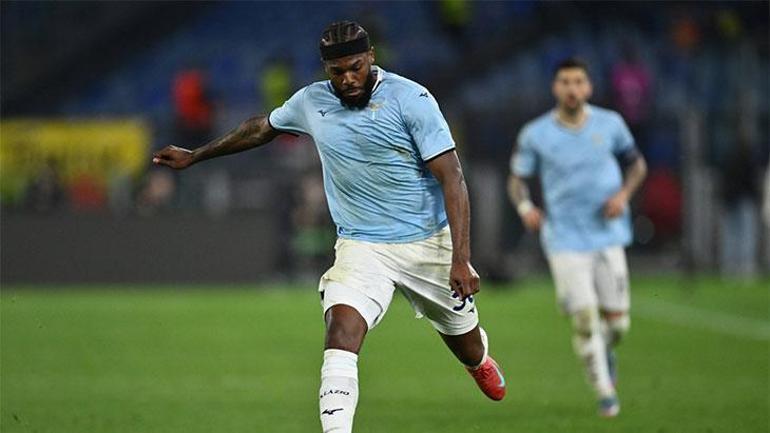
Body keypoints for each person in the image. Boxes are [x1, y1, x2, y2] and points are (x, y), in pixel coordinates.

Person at [153, 21, 505, 433]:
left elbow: (453, 178)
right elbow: (261, 128)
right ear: (326, 70)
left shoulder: (412, 99)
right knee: (341, 332)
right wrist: (196, 155)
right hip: (362, 246)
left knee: (465, 343)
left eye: (356, 67)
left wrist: (461, 258)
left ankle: (479, 360)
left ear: (371, 57)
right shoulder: (312, 101)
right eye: (337, 72)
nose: (348, 79)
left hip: (428, 243)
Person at [507, 58, 647, 418]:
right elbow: (517, 180)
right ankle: (604, 392)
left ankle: (605, 350)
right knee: (585, 317)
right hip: (564, 238)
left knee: (618, 324)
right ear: (555, 87)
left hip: (608, 235)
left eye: (578, 81)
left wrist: (623, 196)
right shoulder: (536, 133)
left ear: (589, 87)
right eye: (565, 82)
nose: (572, 88)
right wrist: (525, 207)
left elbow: (637, 165)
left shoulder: (610, 124)